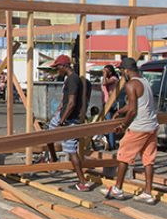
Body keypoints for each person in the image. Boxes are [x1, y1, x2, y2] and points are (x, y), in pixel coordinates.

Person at [100, 57, 160, 204]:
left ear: (126, 71)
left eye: (122, 72)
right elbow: (138, 105)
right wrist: (120, 111)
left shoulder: (131, 85)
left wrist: (123, 126)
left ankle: (117, 189)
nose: (122, 75)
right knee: (148, 160)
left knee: (123, 156)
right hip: (152, 126)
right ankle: (148, 193)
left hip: (139, 127)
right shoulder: (145, 82)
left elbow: (133, 111)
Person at [46, 54, 90, 191]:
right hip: (65, 116)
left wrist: (62, 120)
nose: (57, 70)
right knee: (48, 136)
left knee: (71, 150)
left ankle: (82, 182)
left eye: (58, 67)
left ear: (64, 66)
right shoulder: (70, 79)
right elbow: (66, 101)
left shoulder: (72, 80)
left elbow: (71, 103)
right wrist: (60, 110)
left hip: (70, 119)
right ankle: (53, 159)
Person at [101, 64, 120, 150]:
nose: (104, 73)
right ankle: (109, 142)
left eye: (106, 71)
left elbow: (105, 83)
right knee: (106, 123)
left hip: (111, 103)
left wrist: (105, 75)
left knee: (110, 123)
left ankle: (112, 144)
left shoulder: (114, 79)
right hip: (106, 102)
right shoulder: (106, 79)